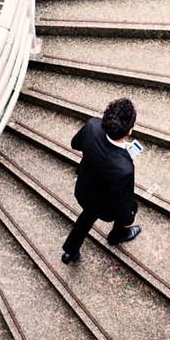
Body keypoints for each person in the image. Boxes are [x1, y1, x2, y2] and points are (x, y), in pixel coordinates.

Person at [61, 98, 142, 264]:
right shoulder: (124, 169)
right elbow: (122, 203)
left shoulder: (92, 126)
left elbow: (75, 144)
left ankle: (70, 251)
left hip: (84, 189)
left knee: (87, 217)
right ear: (129, 131)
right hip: (105, 205)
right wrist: (129, 219)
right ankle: (117, 235)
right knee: (129, 206)